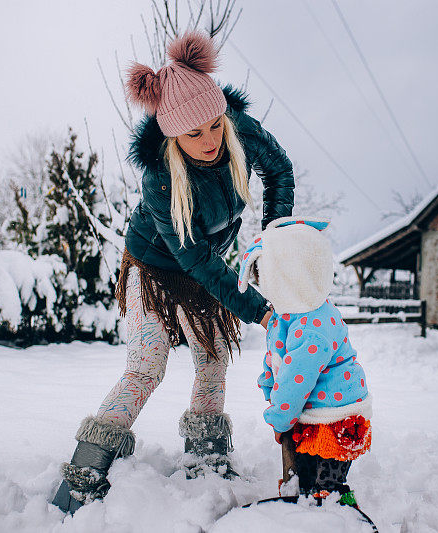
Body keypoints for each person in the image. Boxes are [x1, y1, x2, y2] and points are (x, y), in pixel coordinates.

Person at [51, 31, 294, 514]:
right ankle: (86, 472)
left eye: (213, 126)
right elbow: (197, 260)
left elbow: (281, 170)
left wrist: (275, 236)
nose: (208, 140)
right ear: (171, 135)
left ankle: (206, 459)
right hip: (157, 267)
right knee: (148, 363)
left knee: (213, 358)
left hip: (202, 262)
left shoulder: (239, 128)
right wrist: (260, 310)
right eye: (193, 133)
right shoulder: (159, 177)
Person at [236, 217, 372, 508]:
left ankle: (338, 512)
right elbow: (276, 359)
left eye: (266, 280)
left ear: (287, 276)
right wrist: (268, 387)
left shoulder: (313, 325)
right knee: (306, 480)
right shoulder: (286, 315)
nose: (264, 289)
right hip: (311, 410)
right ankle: (308, 505)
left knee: (327, 484)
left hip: (335, 414)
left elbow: (296, 379)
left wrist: (280, 416)